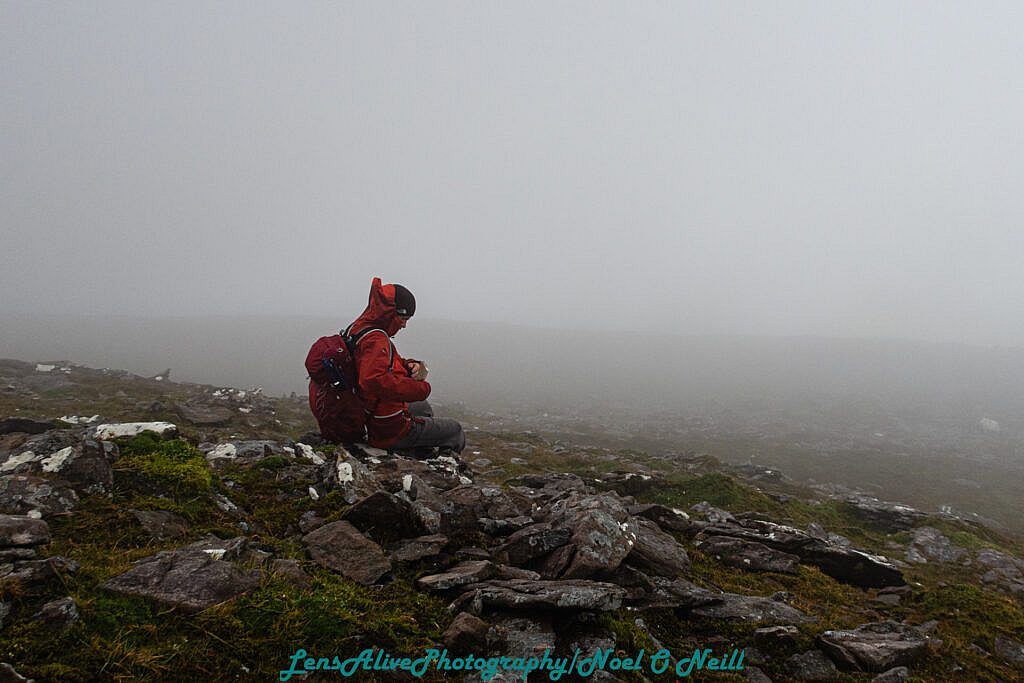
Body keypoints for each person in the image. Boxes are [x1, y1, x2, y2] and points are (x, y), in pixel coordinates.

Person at [347, 277, 465, 458]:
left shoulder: (361, 328)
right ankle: (438, 466)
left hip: (369, 414)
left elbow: (383, 363)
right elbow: (373, 380)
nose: (404, 324)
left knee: (422, 407)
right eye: (403, 318)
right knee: (454, 431)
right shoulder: (376, 339)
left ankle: (417, 449)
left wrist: (410, 365)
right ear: (390, 313)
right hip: (386, 428)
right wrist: (419, 389)